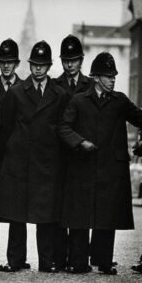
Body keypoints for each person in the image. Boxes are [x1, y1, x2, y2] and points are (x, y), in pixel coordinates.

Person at [58, 52, 142, 275]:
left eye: (114, 75)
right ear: (96, 77)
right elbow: (64, 128)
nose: (113, 80)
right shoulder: (78, 100)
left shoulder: (120, 101)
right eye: (108, 76)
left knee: (107, 216)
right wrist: (80, 142)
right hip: (83, 166)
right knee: (80, 215)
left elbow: (140, 118)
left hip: (110, 169)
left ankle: (104, 262)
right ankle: (78, 262)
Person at [0, 41, 69, 273]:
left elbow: (62, 126)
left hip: (47, 162)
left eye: (42, 65)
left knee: (45, 214)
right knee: (18, 214)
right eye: (35, 65)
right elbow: (5, 127)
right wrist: (14, 152)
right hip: (20, 160)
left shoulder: (60, 94)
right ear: (29, 65)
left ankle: (48, 262)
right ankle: (16, 260)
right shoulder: (16, 93)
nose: (38, 69)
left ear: (49, 65)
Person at [53, 34, 94, 271]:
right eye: (66, 60)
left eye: (74, 60)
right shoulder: (54, 85)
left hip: (82, 156)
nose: (69, 64)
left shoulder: (90, 85)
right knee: (59, 209)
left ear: (81, 60)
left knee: (80, 208)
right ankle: (60, 259)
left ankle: (80, 259)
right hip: (59, 155)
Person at [0, 38, 26, 272]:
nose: (6, 66)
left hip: (17, 157)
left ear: (17, 63)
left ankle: (16, 259)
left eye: (10, 62)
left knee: (17, 210)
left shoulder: (25, 89)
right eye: (3, 62)